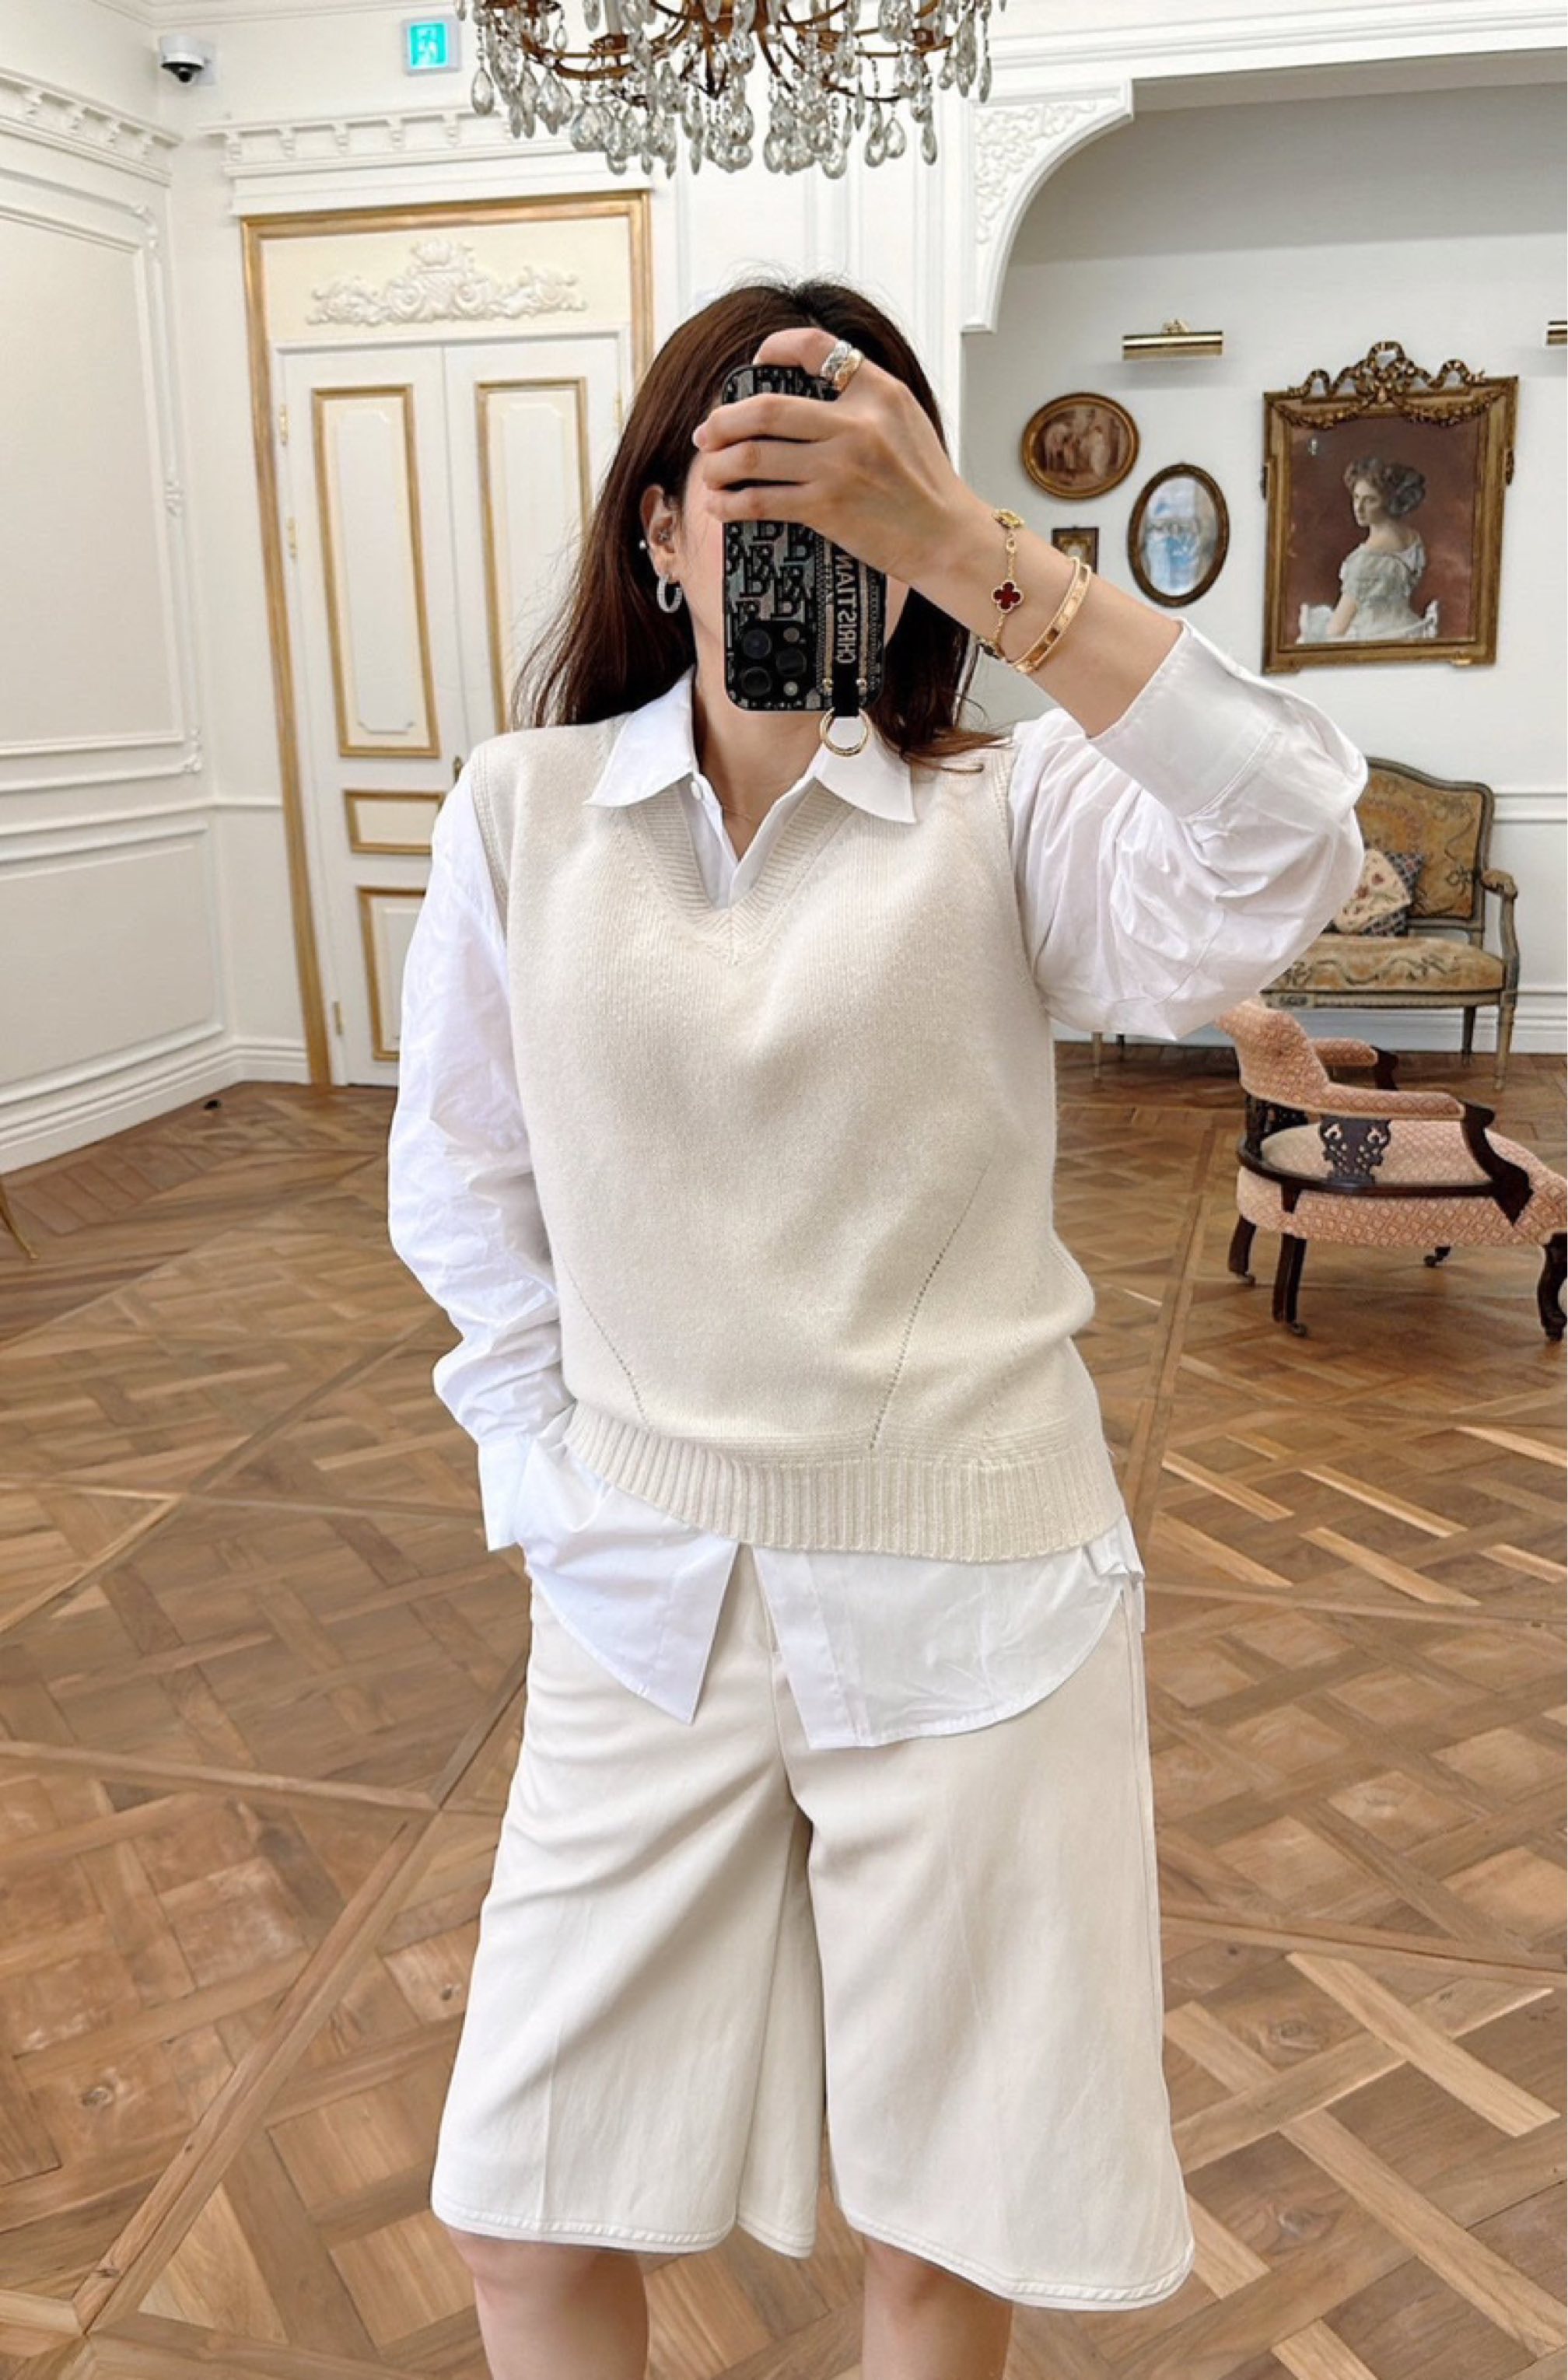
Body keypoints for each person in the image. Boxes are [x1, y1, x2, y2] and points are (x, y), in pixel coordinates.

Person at [387, 274, 1369, 2380]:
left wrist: (976, 554)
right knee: (523, 2207)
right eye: (755, 481)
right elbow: (465, 1186)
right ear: (661, 529)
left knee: (942, 2227)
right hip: (639, 1595)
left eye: (864, 488)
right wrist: (555, 1487)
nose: (805, 529)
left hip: (977, 1594)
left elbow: (1290, 829)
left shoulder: (1010, 814)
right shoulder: (519, 813)